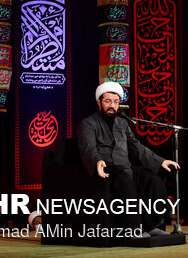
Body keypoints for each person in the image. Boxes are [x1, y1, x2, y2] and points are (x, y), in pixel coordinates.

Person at [77, 81, 180, 237]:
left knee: (152, 179)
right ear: (99, 102)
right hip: (108, 169)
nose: (112, 105)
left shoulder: (122, 123)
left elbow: (136, 147)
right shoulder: (88, 123)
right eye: (108, 101)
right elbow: (88, 148)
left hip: (125, 168)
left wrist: (160, 161)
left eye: (116, 102)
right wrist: (97, 161)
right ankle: (133, 229)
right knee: (124, 177)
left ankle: (152, 225)